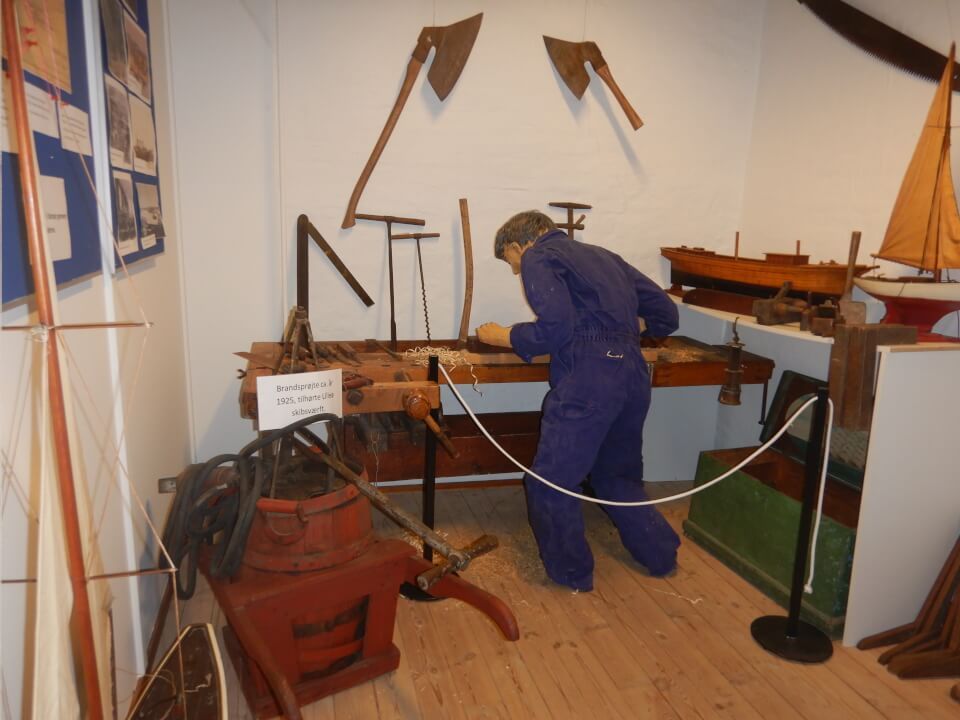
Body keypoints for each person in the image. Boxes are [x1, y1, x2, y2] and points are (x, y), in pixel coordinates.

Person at [477, 210, 681, 592]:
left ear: (520, 244)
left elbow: (555, 329)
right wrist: (625, 330)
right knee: (616, 476)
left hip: (590, 377)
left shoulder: (539, 254)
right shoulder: (607, 258)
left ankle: (571, 573)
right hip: (632, 374)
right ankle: (660, 554)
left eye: (512, 262)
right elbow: (667, 315)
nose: (517, 271)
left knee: (550, 481)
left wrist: (504, 336)